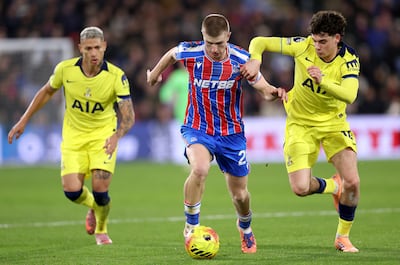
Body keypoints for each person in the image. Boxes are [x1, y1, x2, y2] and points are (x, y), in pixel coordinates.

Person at [147, 13, 287, 254]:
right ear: (202, 37)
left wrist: (273, 92)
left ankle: (245, 228)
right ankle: (191, 225)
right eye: (209, 43)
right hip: (197, 127)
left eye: (219, 44)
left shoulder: (241, 59)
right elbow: (172, 53)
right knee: (200, 168)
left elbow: (262, 88)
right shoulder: (192, 52)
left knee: (240, 195)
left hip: (231, 133)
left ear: (228, 38)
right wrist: (155, 74)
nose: (213, 49)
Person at [241, 10, 361, 252]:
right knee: (300, 189)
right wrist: (255, 59)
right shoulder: (302, 45)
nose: (316, 46)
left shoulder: (349, 60)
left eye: (323, 41)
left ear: (337, 38)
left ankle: (342, 237)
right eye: (315, 40)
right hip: (300, 124)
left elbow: (350, 94)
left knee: (354, 182)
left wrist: (323, 80)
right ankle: (333, 187)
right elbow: (260, 41)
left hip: (333, 124)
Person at [8, 26, 135, 245]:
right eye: (88, 48)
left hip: (102, 137)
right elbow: (47, 91)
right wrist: (24, 118)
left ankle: (102, 231)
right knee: (72, 191)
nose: (93, 53)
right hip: (74, 138)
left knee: (101, 188)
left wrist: (116, 136)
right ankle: (93, 208)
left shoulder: (116, 76)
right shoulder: (65, 70)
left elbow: (129, 115)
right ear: (80, 49)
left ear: (104, 47)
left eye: (97, 47)